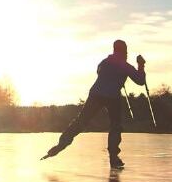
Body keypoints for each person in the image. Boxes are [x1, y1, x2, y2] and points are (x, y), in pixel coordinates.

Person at [43, 39, 146, 169]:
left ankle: (61, 144)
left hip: (96, 94)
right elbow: (140, 81)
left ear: (114, 50)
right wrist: (141, 65)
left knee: (81, 121)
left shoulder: (104, 62)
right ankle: (113, 157)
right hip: (113, 97)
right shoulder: (125, 66)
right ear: (124, 51)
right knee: (115, 126)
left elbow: (98, 71)